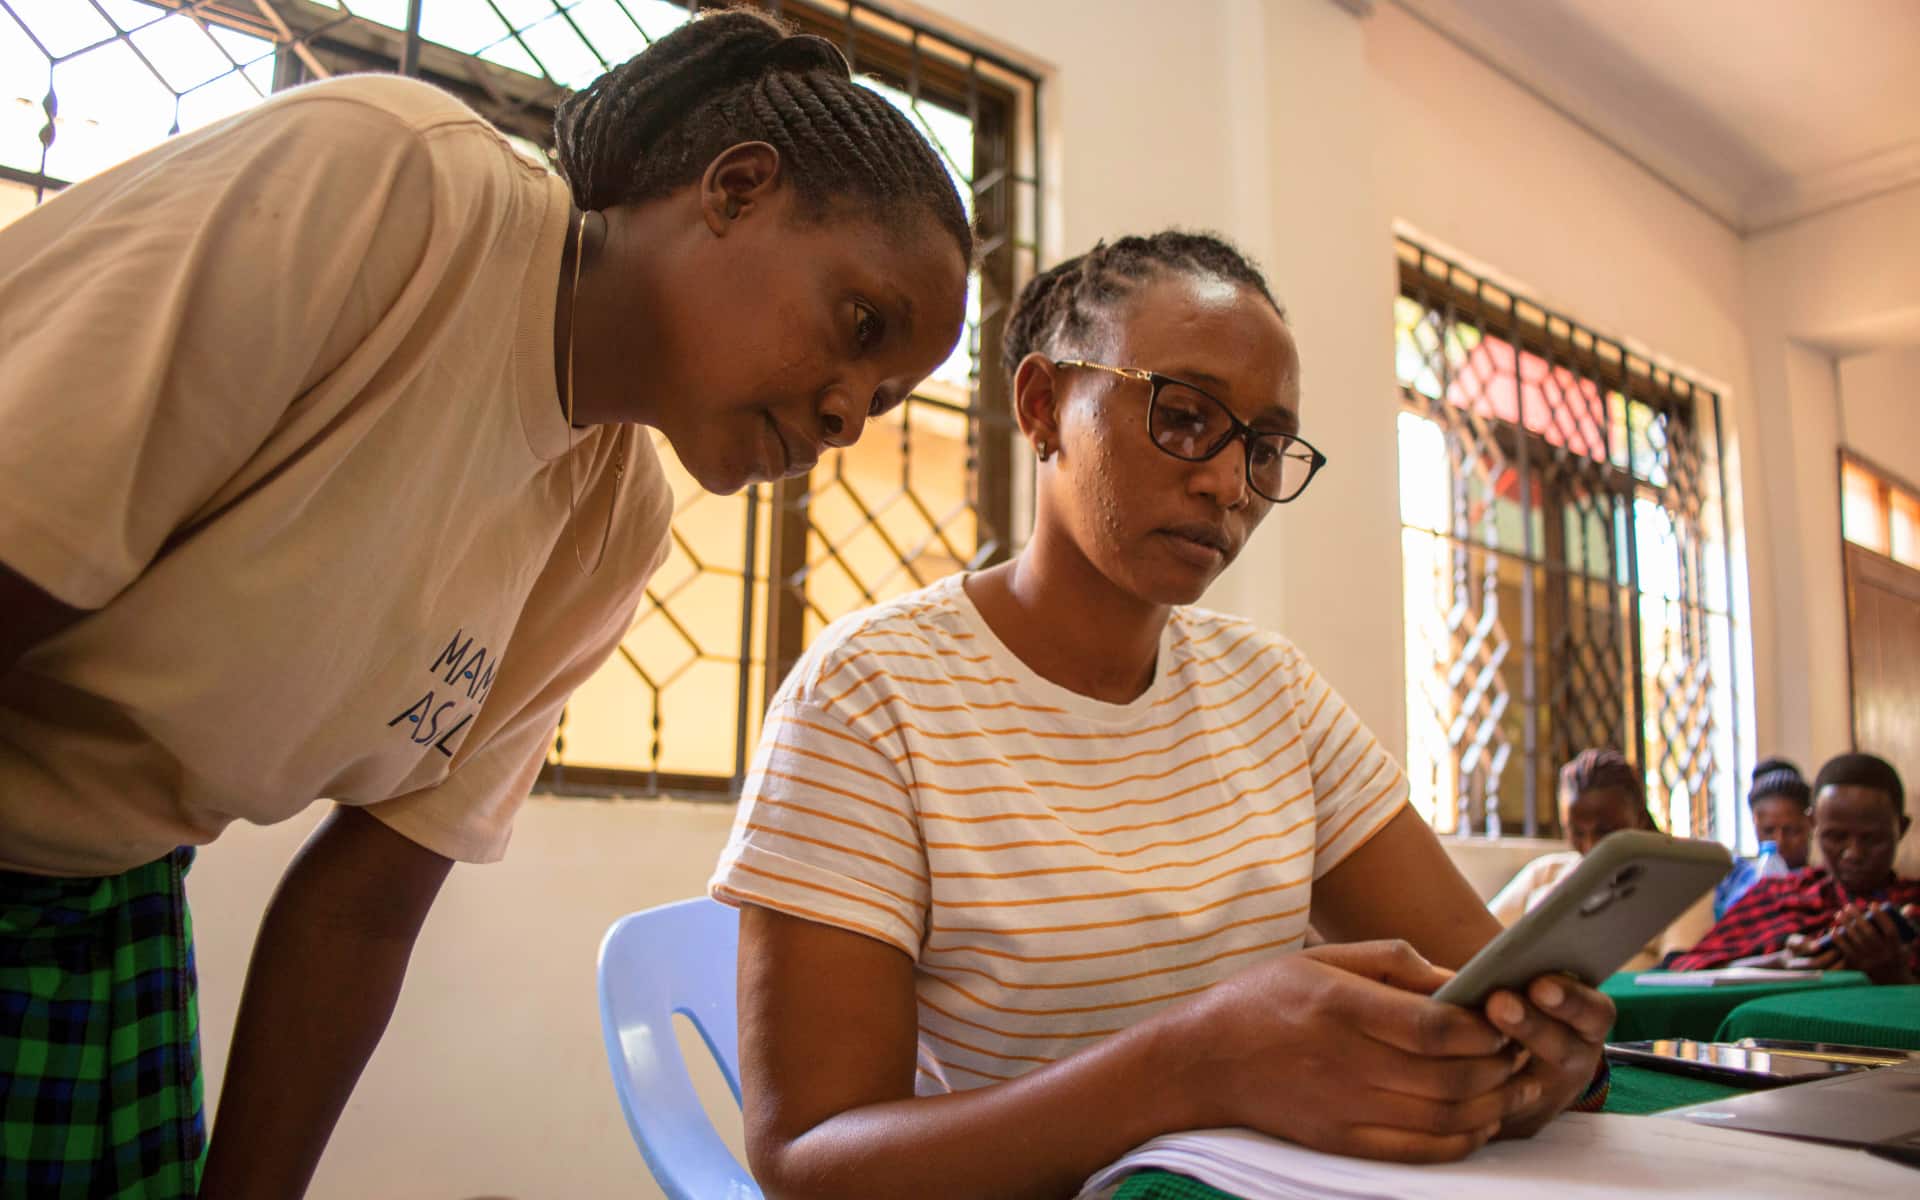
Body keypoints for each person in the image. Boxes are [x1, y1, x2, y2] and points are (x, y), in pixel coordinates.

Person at [0, 8, 971, 1197]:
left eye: (883, 398)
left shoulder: (610, 528)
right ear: (735, 190)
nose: (845, 416)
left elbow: (364, 906)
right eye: (860, 325)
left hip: (100, 911)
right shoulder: (395, 189)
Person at [708, 232, 1614, 1199]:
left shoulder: (1271, 692)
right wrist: (1193, 1065)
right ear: (1043, 406)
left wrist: (1540, 1059)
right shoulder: (870, 695)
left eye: (1263, 449)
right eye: (1184, 417)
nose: (1228, 485)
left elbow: (1483, 983)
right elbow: (810, 1163)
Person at [1668, 752, 1918, 984]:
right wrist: (1775, 964)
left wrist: (1895, 975)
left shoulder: (1912, 906)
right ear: (1813, 824)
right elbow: (1685, 968)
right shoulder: (1779, 896)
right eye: (1836, 837)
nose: (1853, 853)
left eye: (1872, 839)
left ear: (1902, 828)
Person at [1488, 749, 1714, 972]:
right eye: (1576, 832)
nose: (1591, 845)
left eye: (1606, 831)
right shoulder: (1544, 874)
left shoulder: (1681, 885)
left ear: (1639, 818)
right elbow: (1482, 948)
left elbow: (1676, 974)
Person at [1712, 757, 1813, 917]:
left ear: (1810, 823)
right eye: (1768, 831)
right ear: (1755, 822)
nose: (1779, 842)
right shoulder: (1734, 875)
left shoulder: (1820, 887)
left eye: (1791, 831)